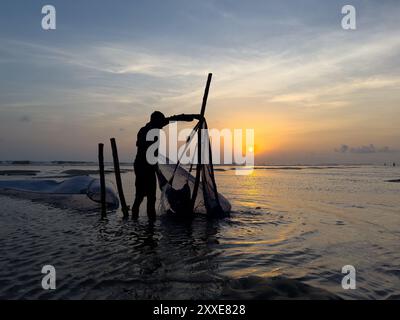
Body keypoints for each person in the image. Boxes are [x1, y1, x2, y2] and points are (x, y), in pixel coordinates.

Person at [132, 111, 202, 219]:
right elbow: (142, 146)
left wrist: (193, 116)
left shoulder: (156, 125)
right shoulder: (145, 131)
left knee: (151, 197)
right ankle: (135, 221)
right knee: (140, 196)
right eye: (161, 123)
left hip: (150, 166)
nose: (162, 126)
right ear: (155, 121)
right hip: (142, 167)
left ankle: (150, 224)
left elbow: (175, 118)